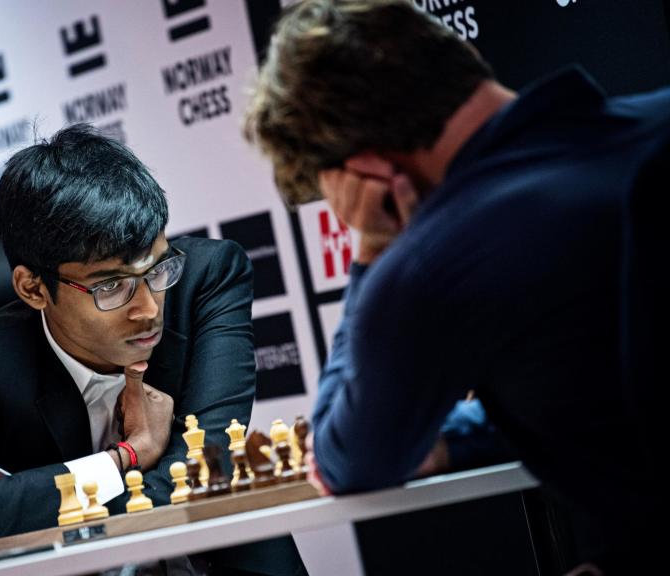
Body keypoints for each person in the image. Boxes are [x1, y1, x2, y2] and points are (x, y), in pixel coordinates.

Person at [245, 0, 667, 570]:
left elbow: (347, 460)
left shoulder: (430, 263)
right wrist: (461, 437)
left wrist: (373, 249)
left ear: (366, 171)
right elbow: (607, 385)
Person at [0, 124, 268, 567]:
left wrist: (5, 530)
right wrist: (124, 459)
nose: (148, 309)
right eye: (111, 286)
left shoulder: (206, 281)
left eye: (156, 270)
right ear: (33, 289)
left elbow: (201, 473)